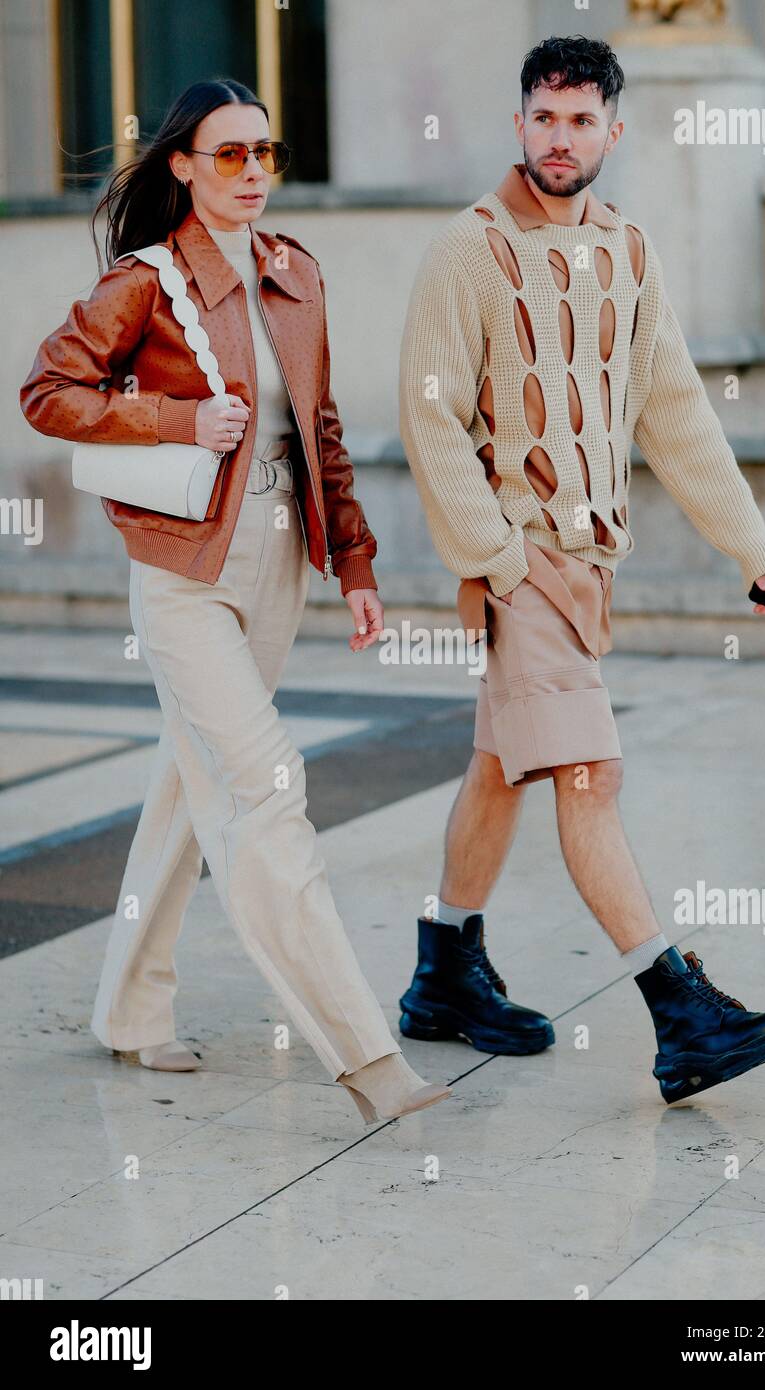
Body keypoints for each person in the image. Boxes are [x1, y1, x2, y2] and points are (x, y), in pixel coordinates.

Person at [19, 78, 449, 1126]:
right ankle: (366, 1060)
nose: (254, 171)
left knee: (189, 781)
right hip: (182, 568)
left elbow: (323, 428)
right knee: (264, 788)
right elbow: (47, 390)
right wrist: (172, 418)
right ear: (181, 165)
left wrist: (351, 563)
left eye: (267, 151)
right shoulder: (147, 280)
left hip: (274, 562)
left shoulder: (294, 271)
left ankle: (128, 1008)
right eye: (230, 154)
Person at [397, 36, 765, 1102]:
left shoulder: (626, 252)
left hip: (591, 568)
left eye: (580, 120)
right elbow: (431, 414)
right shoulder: (468, 251)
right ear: (518, 122)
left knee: (501, 768)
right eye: (543, 116)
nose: (559, 137)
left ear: (610, 131)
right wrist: (493, 558)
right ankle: (679, 1013)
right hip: (518, 563)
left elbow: (673, 412)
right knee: (591, 773)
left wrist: (752, 551)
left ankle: (441, 973)